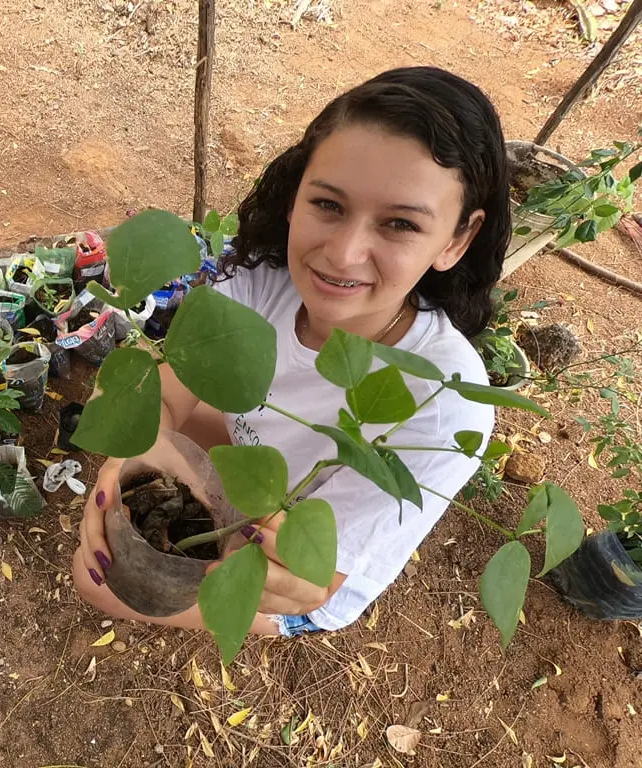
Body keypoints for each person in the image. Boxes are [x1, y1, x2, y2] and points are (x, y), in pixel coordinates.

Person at [73, 66, 509, 637]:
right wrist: (132, 459)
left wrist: (278, 572)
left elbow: (316, 576)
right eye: (328, 205)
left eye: (400, 223)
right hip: (254, 458)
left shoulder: (443, 406)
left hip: (303, 565)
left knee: (93, 579)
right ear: (297, 192)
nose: (344, 254)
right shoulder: (268, 278)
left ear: (457, 239)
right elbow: (165, 387)